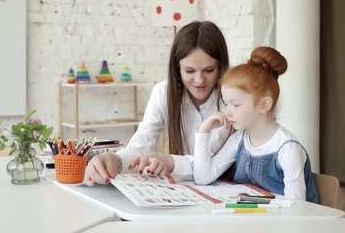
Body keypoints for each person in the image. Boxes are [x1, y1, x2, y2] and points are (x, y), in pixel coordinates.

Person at [84, 20, 230, 185]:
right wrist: (115, 161)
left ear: (221, 66)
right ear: (177, 68)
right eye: (189, 71)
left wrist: (169, 161)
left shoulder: (232, 100)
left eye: (209, 70)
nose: (199, 80)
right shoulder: (163, 92)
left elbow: (211, 162)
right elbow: (142, 143)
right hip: (183, 190)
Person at [193, 46, 318, 202]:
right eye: (226, 104)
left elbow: (297, 207)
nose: (227, 112)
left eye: (235, 105)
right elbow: (202, 177)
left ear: (264, 105)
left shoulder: (287, 149)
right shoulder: (240, 139)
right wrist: (203, 131)